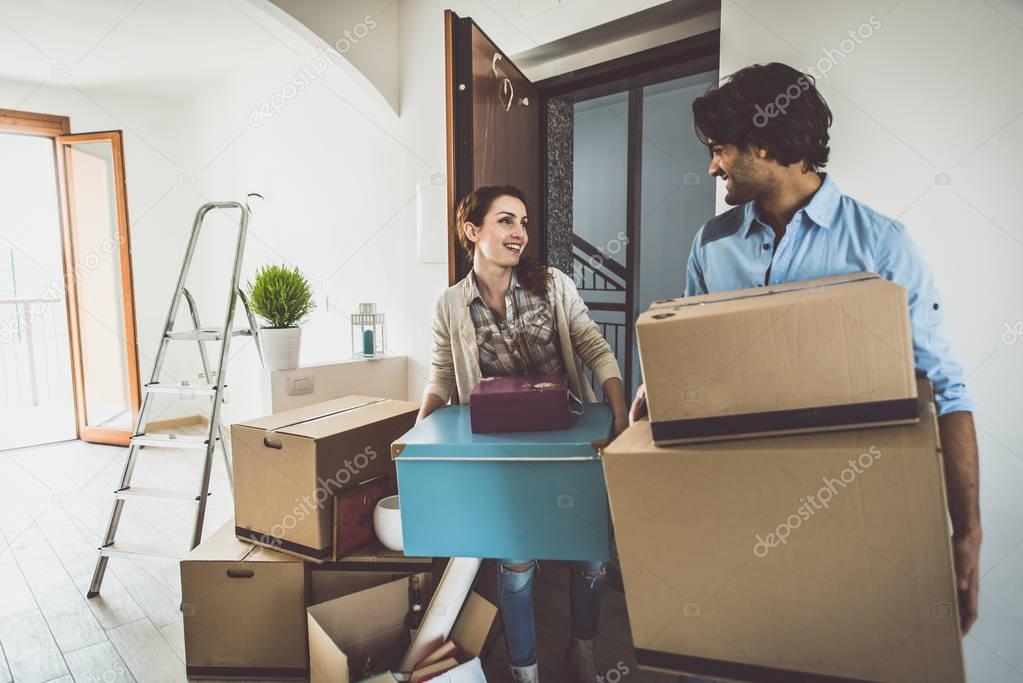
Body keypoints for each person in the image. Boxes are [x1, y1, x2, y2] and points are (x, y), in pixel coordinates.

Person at [630, 62, 981, 635]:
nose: (711, 165)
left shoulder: (880, 246)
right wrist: (662, 383)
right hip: (734, 512)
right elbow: (693, 348)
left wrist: (966, 534)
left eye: (719, 149)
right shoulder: (712, 244)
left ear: (763, 144)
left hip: (852, 520)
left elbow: (946, 388)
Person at [418, 185, 629, 682]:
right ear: (473, 231)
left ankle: (583, 650)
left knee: (591, 558)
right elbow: (442, 375)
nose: (520, 233)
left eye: (524, 222)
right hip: (502, 450)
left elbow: (594, 347)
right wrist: (417, 436)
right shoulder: (450, 304)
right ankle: (524, 671)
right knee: (514, 567)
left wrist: (619, 416)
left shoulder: (552, 284)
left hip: (573, 442)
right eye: (506, 221)